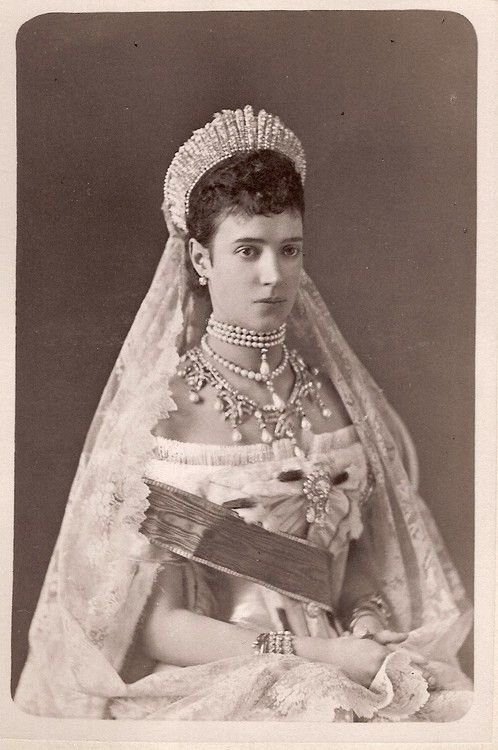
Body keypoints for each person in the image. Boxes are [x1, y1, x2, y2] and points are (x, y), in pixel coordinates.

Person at [15, 106, 473, 721]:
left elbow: (356, 564)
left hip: (347, 661)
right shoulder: (165, 415)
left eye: (289, 250)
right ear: (201, 262)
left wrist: (363, 624)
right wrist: (317, 655)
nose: (272, 276)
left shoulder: (332, 397)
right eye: (248, 250)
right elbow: (159, 628)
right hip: (221, 679)